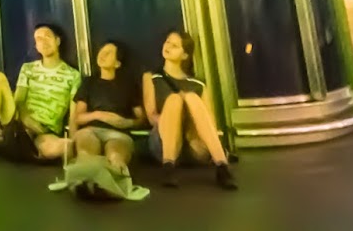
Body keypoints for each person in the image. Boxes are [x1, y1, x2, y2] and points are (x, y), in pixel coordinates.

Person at [0, 21, 79, 165]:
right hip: (19, 122)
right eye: (38, 39)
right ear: (36, 46)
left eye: (47, 37)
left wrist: (73, 142)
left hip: (45, 132)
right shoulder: (28, 68)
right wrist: (26, 117)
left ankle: (34, 151)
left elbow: (74, 114)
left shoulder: (73, 75)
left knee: (66, 146)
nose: (43, 42)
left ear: (57, 40)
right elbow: (19, 99)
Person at [141, 29, 236, 189]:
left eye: (175, 45)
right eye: (167, 42)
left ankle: (221, 165)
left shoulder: (198, 84)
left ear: (184, 55)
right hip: (165, 143)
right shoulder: (152, 77)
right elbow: (151, 116)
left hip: (195, 145)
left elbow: (210, 123)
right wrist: (174, 120)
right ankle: (168, 167)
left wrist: (189, 120)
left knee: (191, 97)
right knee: (174, 99)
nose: (168, 46)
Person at [62, 38, 148, 194]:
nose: (102, 54)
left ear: (117, 63)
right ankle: (85, 182)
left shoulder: (128, 84)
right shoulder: (89, 83)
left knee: (115, 156)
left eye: (109, 53)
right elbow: (78, 117)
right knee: (86, 153)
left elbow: (141, 119)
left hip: (119, 134)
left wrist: (125, 123)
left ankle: (113, 186)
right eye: (102, 51)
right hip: (90, 130)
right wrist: (99, 114)